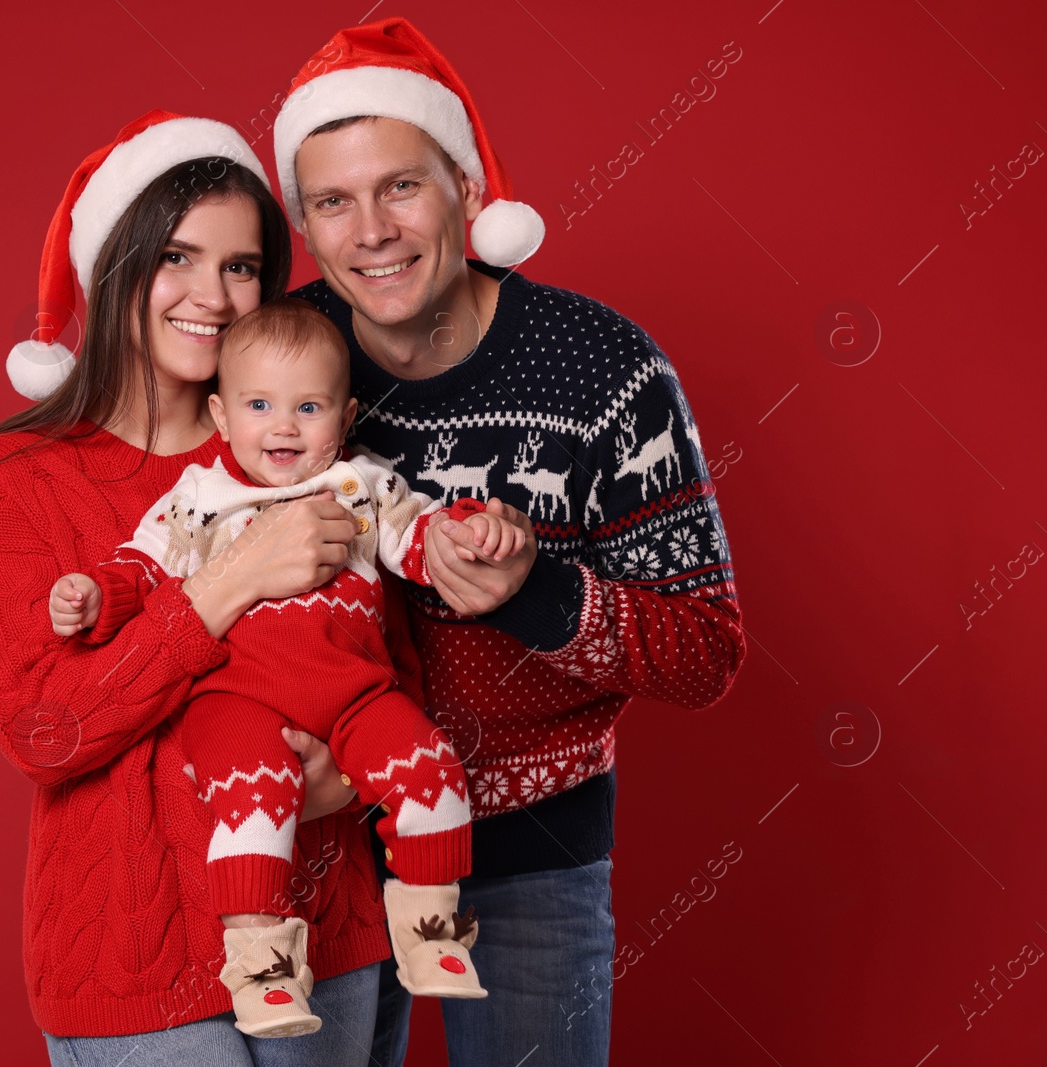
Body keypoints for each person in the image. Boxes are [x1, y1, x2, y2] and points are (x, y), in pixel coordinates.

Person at [270, 18, 747, 1066]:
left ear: (469, 189)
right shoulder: (276, 364)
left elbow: (706, 649)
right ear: (305, 222)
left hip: (530, 849)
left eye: (401, 187)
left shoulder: (605, 370)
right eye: (333, 202)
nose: (372, 231)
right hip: (325, 845)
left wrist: (538, 590)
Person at [0, 110, 400, 1066]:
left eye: (241, 266)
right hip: (133, 956)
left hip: (324, 929)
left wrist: (358, 771)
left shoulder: (295, 441)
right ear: (114, 266)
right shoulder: (19, 481)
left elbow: (392, 656)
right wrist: (227, 583)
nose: (214, 295)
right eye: (178, 258)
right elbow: (44, 728)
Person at [48, 298, 522, 1037]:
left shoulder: (361, 487)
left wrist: (467, 533)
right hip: (237, 697)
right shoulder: (203, 499)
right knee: (256, 797)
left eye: (309, 406)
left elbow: (414, 537)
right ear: (222, 415)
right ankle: (262, 966)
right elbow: (144, 566)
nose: (284, 426)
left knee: (432, 767)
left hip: (355, 694)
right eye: (260, 404)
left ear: (346, 414)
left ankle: (430, 927)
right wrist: (93, 595)